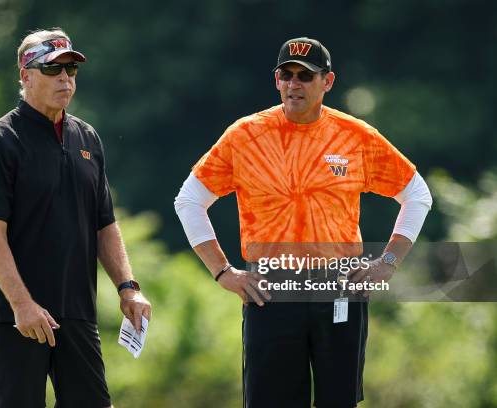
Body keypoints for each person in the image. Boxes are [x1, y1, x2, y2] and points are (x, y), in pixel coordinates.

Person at [174, 37, 432, 407]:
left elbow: (417, 195)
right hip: (271, 289)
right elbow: (189, 201)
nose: (294, 83)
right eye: (287, 75)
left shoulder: (355, 136)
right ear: (276, 80)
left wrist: (388, 262)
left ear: (327, 82)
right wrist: (223, 272)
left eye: (306, 76)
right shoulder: (245, 135)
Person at [0, 28, 151, 408]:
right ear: (25, 75)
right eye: (52, 70)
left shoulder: (87, 138)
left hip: (78, 311)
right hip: (17, 316)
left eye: (70, 70)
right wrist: (22, 305)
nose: (65, 78)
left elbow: (105, 224)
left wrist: (128, 287)